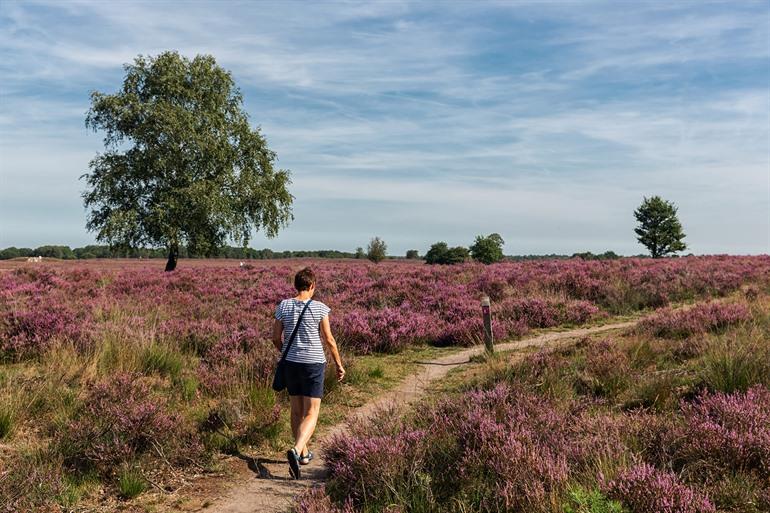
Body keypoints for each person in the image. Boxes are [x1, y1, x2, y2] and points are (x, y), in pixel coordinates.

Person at [272, 267, 345, 479]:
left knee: (296, 411)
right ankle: (297, 450)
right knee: (312, 412)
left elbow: (275, 337)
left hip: (291, 363)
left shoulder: (283, 305)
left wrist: (286, 352)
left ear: (296, 285)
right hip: (313, 363)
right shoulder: (320, 307)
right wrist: (339, 364)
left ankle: (303, 455)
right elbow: (329, 339)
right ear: (312, 285)